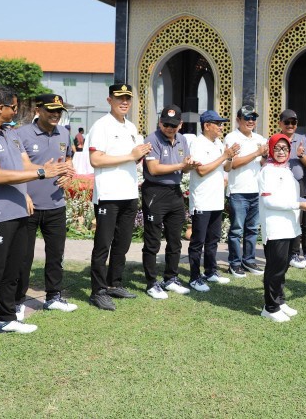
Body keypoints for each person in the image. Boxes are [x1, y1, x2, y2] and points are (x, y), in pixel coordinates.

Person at [0, 85, 72, 358]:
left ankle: (7, 318)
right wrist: (42, 172)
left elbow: (24, 165)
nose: (16, 111)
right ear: (0, 107)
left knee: (13, 271)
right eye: (13, 107)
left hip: (20, 212)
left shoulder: (9, 134)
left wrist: (54, 169)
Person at [88, 84, 151, 310]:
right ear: (109, 100)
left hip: (128, 192)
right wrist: (130, 155)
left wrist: (140, 154)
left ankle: (114, 283)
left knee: (122, 243)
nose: (124, 102)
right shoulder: (101, 125)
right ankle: (98, 291)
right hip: (108, 194)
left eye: (127, 98)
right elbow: (95, 160)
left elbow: (132, 159)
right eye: (119, 98)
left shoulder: (131, 127)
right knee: (103, 245)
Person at [15, 94, 78, 318]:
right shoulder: (21, 134)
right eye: (51, 110)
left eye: (59, 111)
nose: (55, 114)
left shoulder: (64, 133)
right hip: (27, 205)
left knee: (56, 255)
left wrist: (68, 174)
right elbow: (16, 168)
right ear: (38, 110)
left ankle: (53, 297)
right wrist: (23, 193)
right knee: (23, 258)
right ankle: (17, 302)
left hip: (55, 204)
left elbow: (68, 159)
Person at [258, 134, 306, 322]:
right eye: (277, 148)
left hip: (290, 226)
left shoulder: (286, 169)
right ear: (270, 150)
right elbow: (269, 201)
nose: (281, 152)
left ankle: (279, 301)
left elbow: (291, 197)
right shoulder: (268, 171)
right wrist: (298, 205)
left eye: (285, 148)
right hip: (276, 227)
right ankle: (270, 308)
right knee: (275, 268)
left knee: (283, 267)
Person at [141, 105, 195, 300]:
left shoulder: (182, 139)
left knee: (175, 240)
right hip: (155, 192)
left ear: (180, 124)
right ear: (160, 122)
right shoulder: (152, 139)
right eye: (166, 124)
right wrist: (181, 165)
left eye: (173, 125)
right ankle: (151, 283)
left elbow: (185, 169)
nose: (169, 128)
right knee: (153, 241)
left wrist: (188, 166)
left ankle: (170, 278)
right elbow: (154, 169)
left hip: (175, 192)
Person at [187, 110, 238, 292]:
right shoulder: (197, 143)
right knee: (198, 241)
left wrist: (229, 157)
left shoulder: (218, 143)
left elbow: (227, 168)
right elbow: (201, 170)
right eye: (217, 123)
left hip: (216, 199)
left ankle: (210, 271)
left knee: (213, 239)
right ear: (206, 125)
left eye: (221, 124)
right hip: (202, 200)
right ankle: (194, 277)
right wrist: (224, 156)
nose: (221, 127)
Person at [224, 105, 268, 277]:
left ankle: (248, 260)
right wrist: (257, 153)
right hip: (238, 191)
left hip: (256, 190)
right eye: (247, 118)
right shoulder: (232, 138)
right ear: (238, 120)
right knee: (236, 230)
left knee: (252, 229)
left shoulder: (259, 138)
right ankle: (234, 263)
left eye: (253, 118)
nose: (251, 121)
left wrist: (264, 156)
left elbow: (263, 163)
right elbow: (233, 164)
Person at [277, 109, 306, 269]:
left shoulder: (303, 139)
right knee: (284, 220)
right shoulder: (275, 139)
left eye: (293, 122)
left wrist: (300, 155)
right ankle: (282, 253)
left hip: (299, 186)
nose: (290, 125)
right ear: (280, 123)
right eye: (287, 122)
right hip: (280, 186)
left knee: (299, 221)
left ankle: (295, 254)